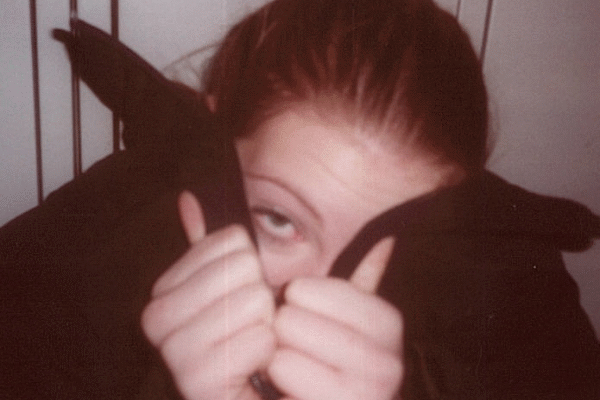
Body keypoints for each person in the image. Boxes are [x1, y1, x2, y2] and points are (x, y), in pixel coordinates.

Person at [1, 0, 599, 400]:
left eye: (390, 245)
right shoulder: (85, 255)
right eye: (279, 220)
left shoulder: (518, 301)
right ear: (216, 146)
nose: (311, 302)